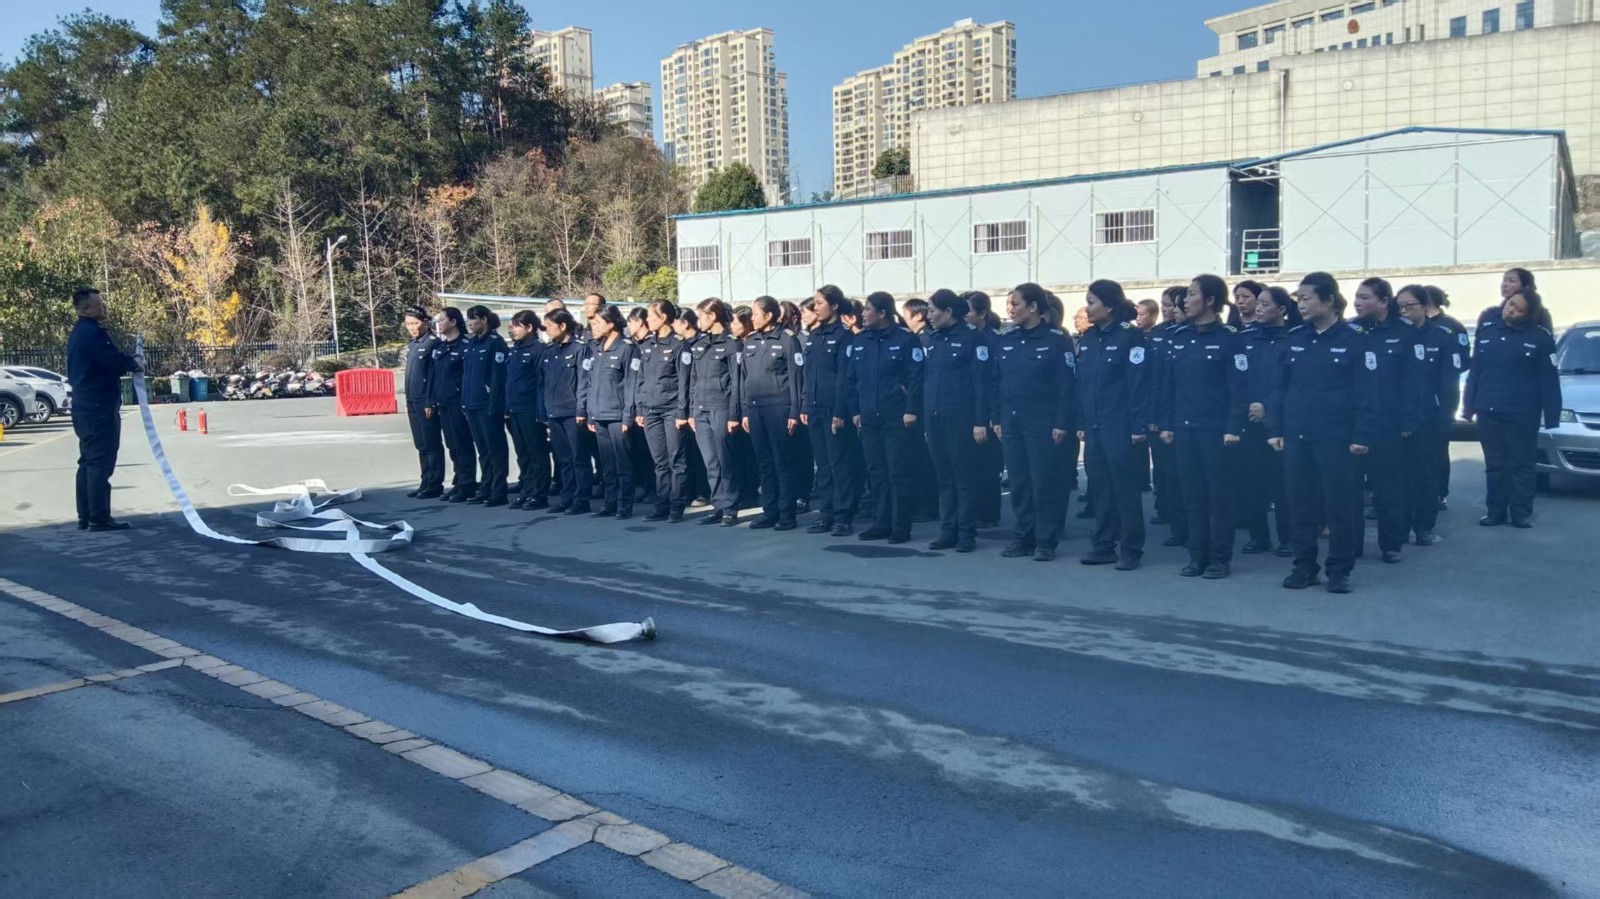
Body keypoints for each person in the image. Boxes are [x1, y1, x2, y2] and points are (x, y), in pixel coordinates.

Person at [1269, 272, 1376, 594]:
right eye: (1298, 299)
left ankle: (1339, 570)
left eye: (1306, 299)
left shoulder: (1354, 340)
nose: (1300, 305)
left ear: (1328, 300)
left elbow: (1367, 392)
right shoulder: (1294, 339)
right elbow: (1279, 388)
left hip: (1337, 437)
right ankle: (1304, 566)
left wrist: (1362, 434)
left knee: (1339, 506)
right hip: (1297, 435)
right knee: (1299, 504)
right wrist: (1276, 428)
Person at [1158, 275, 1248, 579]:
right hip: (1185, 428)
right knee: (1192, 496)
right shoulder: (1179, 337)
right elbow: (1168, 385)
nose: (1185, 301)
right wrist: (1167, 423)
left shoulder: (1230, 338)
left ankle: (1219, 558)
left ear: (1210, 300)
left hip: (1216, 430)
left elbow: (1239, 388)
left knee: (1219, 497)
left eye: (1192, 294)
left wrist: (1234, 426)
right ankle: (1197, 555)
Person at [991, 283, 1077, 562]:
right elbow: (997, 382)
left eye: (1015, 304)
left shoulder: (1056, 340)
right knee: (1019, 482)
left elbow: (1066, 386)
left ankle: (1045, 540)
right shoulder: (1006, 339)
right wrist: (997, 417)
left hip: (1043, 422)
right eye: (1009, 304)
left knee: (1043, 482)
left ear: (1033, 307)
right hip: (1012, 421)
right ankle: (1023, 536)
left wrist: (1062, 422)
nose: (1010, 309)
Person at [1463, 288, 1561, 528]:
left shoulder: (1540, 337)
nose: (1512, 309)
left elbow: (1549, 379)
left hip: (1522, 412)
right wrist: (1468, 406)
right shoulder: (1487, 332)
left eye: (1519, 308)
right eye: (1510, 303)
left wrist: (1552, 415)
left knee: (1521, 464)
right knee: (1495, 464)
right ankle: (1495, 511)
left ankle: (1520, 512)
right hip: (1489, 409)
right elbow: (1475, 373)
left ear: (1528, 314)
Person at [836, 292, 925, 544]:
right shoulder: (860, 341)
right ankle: (881, 522)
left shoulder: (905, 339)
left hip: (896, 415)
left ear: (882, 313)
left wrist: (911, 409)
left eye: (867, 309)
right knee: (876, 471)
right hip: (868, 416)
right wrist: (855, 411)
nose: (863, 314)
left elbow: (916, 378)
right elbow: (851, 379)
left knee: (897, 471)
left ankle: (900, 526)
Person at [1074, 280, 1151, 570]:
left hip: (1120, 425)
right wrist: (1081, 420)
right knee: (1100, 488)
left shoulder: (1131, 337)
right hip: (1095, 425)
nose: (1087, 308)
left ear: (1108, 305)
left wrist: (1137, 426)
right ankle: (1104, 544)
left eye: (1092, 302)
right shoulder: (1089, 339)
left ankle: (1131, 549)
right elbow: (1081, 384)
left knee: (1124, 489)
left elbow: (1139, 384)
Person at [1353, 277, 1425, 563]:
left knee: (1388, 487)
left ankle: (1391, 543)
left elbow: (1414, 383)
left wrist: (1409, 422)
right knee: (1350, 487)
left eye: (1365, 297)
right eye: (1356, 297)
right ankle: (1352, 543)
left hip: (1388, 423)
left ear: (1384, 302)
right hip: (1354, 423)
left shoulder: (1405, 334)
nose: (1358, 302)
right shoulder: (1349, 331)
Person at [66, 288, 142, 532]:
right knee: (100, 462)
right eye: (99, 303)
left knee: (87, 461)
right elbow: (111, 362)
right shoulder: (93, 334)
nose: (104, 307)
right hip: (98, 406)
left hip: (84, 404)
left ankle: (86, 516)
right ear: (86, 309)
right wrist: (133, 363)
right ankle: (99, 518)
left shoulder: (79, 333)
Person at [921, 289, 989, 553]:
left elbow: (981, 383)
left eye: (932, 310)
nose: (928, 316)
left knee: (964, 477)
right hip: (935, 416)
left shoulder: (974, 338)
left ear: (948, 311)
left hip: (961, 416)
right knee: (944, 476)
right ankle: (948, 529)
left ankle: (966, 532)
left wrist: (980, 420)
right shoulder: (934, 339)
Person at [1396, 285, 1462, 545]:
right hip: (1397, 417)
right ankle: (1399, 528)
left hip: (1429, 417)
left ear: (1425, 306)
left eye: (1409, 305)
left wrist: (1447, 416)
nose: (1404, 311)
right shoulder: (1393, 336)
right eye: (1400, 306)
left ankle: (1424, 527)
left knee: (1425, 474)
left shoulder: (1441, 337)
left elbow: (1449, 383)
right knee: (1398, 475)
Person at [1239, 286, 1300, 557]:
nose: (1259, 308)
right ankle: (1258, 536)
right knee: (1252, 481)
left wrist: (1269, 409)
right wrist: (1250, 406)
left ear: (1282, 310)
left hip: (1282, 424)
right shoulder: (1246, 339)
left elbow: (1294, 384)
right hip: (1250, 420)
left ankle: (1288, 538)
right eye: (1259, 303)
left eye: (1265, 304)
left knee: (1283, 484)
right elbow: (1238, 378)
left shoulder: (1294, 339)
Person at [737, 296, 803, 530]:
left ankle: (787, 514)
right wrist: (745, 410)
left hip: (778, 408)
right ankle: (770, 511)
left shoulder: (787, 340)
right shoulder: (751, 340)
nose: (752, 318)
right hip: (755, 409)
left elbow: (796, 378)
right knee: (764, 462)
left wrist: (794, 411)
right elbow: (745, 379)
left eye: (756, 313)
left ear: (769, 315)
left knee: (782, 462)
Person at [804, 286, 863, 536]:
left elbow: (845, 377)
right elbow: (808, 375)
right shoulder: (814, 336)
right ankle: (826, 513)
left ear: (834, 306)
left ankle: (843, 516)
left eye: (819, 303)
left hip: (834, 410)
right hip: (815, 408)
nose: (815, 307)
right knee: (824, 465)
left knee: (840, 463)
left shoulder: (844, 336)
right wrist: (806, 405)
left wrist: (840, 411)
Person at [684, 299, 743, 526]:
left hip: (722, 408)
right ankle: (718, 505)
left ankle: (730, 508)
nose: (699, 320)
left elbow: (737, 382)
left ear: (713, 316)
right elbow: (694, 380)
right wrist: (691, 410)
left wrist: (734, 414)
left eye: (702, 315)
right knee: (710, 461)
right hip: (701, 409)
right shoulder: (700, 344)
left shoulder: (732, 344)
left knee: (725, 460)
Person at [578, 304, 638, 518]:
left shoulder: (627, 348)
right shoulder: (596, 349)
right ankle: (610, 502)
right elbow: (589, 383)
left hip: (617, 415)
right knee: (607, 464)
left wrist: (628, 416)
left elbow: (631, 384)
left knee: (623, 463)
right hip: (599, 414)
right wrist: (590, 413)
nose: (593, 327)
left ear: (611, 323)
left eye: (597, 323)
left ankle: (625, 504)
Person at [635, 301, 691, 522]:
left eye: (651, 316)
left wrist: (682, 412)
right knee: (659, 461)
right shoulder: (647, 345)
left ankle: (677, 506)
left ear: (664, 317)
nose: (647, 320)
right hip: (650, 410)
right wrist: (640, 408)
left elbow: (684, 381)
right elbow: (641, 379)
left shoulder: (679, 345)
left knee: (676, 459)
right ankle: (662, 505)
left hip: (672, 410)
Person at [540, 308, 592, 515]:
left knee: (579, 457)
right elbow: (544, 382)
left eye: (549, 326)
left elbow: (584, 382)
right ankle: (567, 497)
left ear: (562, 326)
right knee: (563, 458)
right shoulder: (549, 351)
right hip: (554, 411)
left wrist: (581, 410)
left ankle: (582, 498)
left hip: (573, 412)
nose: (546, 329)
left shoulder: (580, 349)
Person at [1148, 288, 1188, 547]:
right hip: (1161, 413)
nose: (1167, 309)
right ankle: (1175, 523)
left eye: (1171, 305)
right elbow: (1152, 379)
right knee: (1166, 472)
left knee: (1186, 476)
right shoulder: (1157, 334)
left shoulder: (1188, 335)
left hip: (1187, 415)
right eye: (1163, 304)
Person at [1423, 285, 1469, 510]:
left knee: (1439, 447)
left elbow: (1462, 360)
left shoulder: (1451, 327)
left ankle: (1439, 493)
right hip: (1418, 398)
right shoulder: (1413, 327)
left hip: (1442, 395)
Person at [963, 291, 1004, 528]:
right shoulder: (963, 337)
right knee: (969, 465)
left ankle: (988, 512)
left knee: (988, 465)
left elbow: (992, 381)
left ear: (982, 313)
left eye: (968, 310)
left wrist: (991, 415)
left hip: (988, 411)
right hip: (965, 409)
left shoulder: (994, 340)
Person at [460, 305, 509, 506]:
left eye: (473, 319)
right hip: (472, 403)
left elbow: (498, 378)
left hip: (487, 405)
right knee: (483, 449)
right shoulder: (472, 343)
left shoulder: (495, 343)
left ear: (484, 320)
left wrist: (495, 405)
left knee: (495, 448)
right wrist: (465, 402)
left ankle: (498, 490)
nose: (470, 323)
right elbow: (467, 375)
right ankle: (486, 486)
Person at [428, 307, 476, 502]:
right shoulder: (440, 347)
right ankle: (458, 481)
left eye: (442, 320)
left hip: (458, 401)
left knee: (463, 443)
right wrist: (431, 399)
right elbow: (433, 375)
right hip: (443, 402)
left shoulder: (466, 345)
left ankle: (467, 484)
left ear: (454, 322)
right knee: (452, 445)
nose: (439, 324)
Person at [504, 310, 551, 510]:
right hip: (514, 409)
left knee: (536, 452)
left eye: (517, 326)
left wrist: (541, 411)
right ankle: (527, 490)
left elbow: (542, 383)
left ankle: (539, 494)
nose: (512, 330)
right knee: (522, 453)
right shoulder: (515, 349)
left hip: (530, 409)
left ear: (529, 327)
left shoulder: (538, 349)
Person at [402, 307, 444, 500]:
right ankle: (425, 480)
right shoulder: (413, 344)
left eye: (415, 323)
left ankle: (435, 483)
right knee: (421, 444)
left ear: (425, 322)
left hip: (425, 401)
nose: (412, 327)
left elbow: (434, 376)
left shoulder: (433, 343)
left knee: (431, 443)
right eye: (408, 324)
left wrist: (430, 401)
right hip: (413, 400)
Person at [779, 300, 815, 513]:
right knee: (786, 454)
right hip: (782, 404)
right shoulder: (778, 340)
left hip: (801, 404)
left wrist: (802, 406)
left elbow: (802, 377)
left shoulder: (801, 340)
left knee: (802, 453)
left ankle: (803, 494)